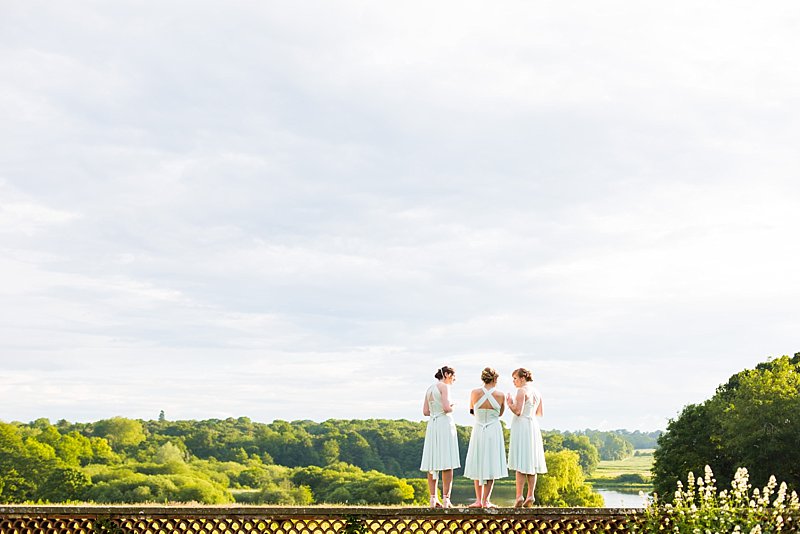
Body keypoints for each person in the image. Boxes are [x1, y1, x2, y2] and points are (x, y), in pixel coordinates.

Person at [463, 367, 508, 507]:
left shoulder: (474, 393)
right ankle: (486, 500)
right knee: (491, 463)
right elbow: (500, 413)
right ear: (495, 379)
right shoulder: (501, 395)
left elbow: (472, 411)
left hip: (479, 428)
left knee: (478, 461)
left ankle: (478, 500)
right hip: (493, 429)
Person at [506, 367, 547, 507]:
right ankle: (531, 495)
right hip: (533, 426)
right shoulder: (537, 392)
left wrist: (510, 403)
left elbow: (518, 411)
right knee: (531, 462)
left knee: (520, 461)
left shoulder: (521, 391)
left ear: (523, 378)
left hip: (522, 426)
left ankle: (519, 496)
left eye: (515, 378)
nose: (514, 382)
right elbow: (539, 413)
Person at [420, 366, 460, 508]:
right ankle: (446, 499)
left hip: (432, 425)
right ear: (447, 374)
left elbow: (425, 411)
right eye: (454, 376)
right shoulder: (444, 386)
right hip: (443, 423)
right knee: (447, 462)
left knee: (432, 461)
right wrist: (453, 406)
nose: (454, 379)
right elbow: (447, 408)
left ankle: (432, 498)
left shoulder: (429, 389)